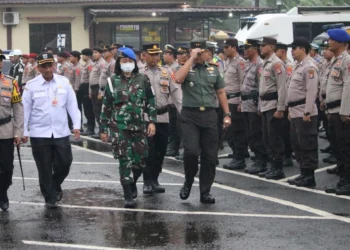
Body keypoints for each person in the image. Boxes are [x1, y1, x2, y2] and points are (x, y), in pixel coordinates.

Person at [175, 38, 231, 204]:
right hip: (189, 116)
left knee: (210, 156)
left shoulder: (214, 70)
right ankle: (188, 181)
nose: (199, 55)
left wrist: (227, 114)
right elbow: (178, 79)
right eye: (195, 52)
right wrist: (191, 59)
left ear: (208, 53)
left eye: (201, 52)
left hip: (209, 115)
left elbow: (221, 92)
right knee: (191, 151)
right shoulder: (185, 67)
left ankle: (205, 191)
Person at [22, 53, 81, 209]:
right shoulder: (31, 85)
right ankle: (50, 197)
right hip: (39, 133)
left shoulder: (64, 82)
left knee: (65, 162)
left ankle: (54, 184)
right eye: (44, 66)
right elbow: (25, 110)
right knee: (44, 166)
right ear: (39, 67)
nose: (48, 69)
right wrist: (24, 131)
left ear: (54, 66)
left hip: (60, 131)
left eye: (50, 65)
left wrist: (76, 125)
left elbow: (72, 105)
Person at [100, 47, 156, 208]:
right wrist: (103, 128)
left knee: (140, 161)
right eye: (123, 61)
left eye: (130, 61)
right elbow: (107, 106)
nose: (127, 64)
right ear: (119, 63)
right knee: (125, 161)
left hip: (139, 127)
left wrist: (152, 121)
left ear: (135, 62)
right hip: (120, 128)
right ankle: (127, 195)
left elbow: (151, 101)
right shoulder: (112, 81)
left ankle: (132, 183)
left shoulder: (143, 79)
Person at [140, 43, 182, 194]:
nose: (156, 57)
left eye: (158, 54)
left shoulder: (166, 71)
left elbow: (176, 92)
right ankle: (147, 180)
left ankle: (155, 179)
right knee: (147, 150)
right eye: (152, 54)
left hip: (163, 117)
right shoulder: (138, 72)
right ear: (144, 55)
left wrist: (182, 112)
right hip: (144, 117)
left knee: (160, 150)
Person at [286, 37, 319, 187]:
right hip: (295, 111)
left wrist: (307, 112)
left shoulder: (309, 66)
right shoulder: (298, 65)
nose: (292, 51)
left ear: (303, 49)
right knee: (297, 144)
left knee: (307, 144)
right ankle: (303, 172)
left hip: (304, 112)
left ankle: (309, 176)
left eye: (294, 48)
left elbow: (311, 91)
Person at [323, 29, 350, 195]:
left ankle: (347, 182)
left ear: (341, 43)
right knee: (337, 147)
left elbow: (348, 86)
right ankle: (342, 180)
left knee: (345, 148)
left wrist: (345, 111)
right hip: (332, 110)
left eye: (332, 40)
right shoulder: (335, 60)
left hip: (341, 111)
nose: (329, 42)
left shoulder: (346, 60)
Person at [258, 37, 287, 180]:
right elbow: (262, 87)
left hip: (273, 105)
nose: (261, 48)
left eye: (263, 46)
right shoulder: (265, 63)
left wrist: (280, 108)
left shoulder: (277, 64)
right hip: (264, 104)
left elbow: (282, 87)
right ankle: (272, 166)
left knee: (275, 138)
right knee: (267, 137)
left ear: (271, 47)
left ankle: (278, 168)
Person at [240, 39, 269, 175]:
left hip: (254, 103)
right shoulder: (247, 64)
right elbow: (244, 85)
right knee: (249, 133)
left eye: (247, 48)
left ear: (254, 49)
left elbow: (260, 86)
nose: (244, 51)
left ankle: (261, 161)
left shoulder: (260, 64)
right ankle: (257, 158)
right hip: (246, 103)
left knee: (256, 133)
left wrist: (259, 107)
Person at [0, 53, 23, 211]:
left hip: (6, 131)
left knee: (7, 168)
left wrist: (18, 131)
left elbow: (18, 108)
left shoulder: (11, 82)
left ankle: (2, 193)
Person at [222, 38, 248, 170]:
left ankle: (240, 158)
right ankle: (236, 153)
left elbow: (244, 83)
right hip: (226, 100)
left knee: (237, 130)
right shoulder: (227, 61)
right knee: (229, 131)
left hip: (235, 100)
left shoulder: (240, 62)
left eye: (227, 47)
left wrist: (241, 101)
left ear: (234, 47)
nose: (225, 49)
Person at [275, 42, 294, 167]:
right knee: (277, 132)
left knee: (286, 131)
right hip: (276, 102)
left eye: (276, 51)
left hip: (286, 103)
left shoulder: (289, 66)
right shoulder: (276, 65)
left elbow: (287, 85)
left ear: (282, 52)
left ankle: (287, 155)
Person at [163, 44, 181, 157]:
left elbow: (176, 87)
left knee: (175, 127)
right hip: (167, 101)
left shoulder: (176, 67)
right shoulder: (166, 67)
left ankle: (174, 147)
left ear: (171, 55)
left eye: (165, 54)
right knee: (170, 126)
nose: (163, 56)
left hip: (174, 102)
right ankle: (170, 146)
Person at [89, 47, 106, 137]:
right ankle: (100, 130)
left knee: (99, 110)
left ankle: (102, 131)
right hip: (93, 89)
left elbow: (102, 79)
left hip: (98, 89)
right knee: (95, 110)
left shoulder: (102, 63)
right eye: (93, 52)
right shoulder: (95, 64)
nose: (94, 54)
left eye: (96, 52)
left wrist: (100, 91)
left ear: (100, 53)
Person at [80, 48, 96, 136]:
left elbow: (91, 79)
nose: (82, 56)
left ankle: (91, 128)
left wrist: (89, 91)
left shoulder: (90, 65)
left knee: (89, 109)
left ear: (88, 56)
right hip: (83, 87)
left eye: (83, 55)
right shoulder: (85, 64)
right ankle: (89, 127)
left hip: (87, 87)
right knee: (86, 109)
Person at [70, 51, 84, 130]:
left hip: (76, 90)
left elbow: (77, 80)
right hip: (72, 89)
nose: (70, 58)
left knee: (77, 108)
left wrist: (75, 90)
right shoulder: (73, 66)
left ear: (76, 57)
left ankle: (79, 126)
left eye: (71, 56)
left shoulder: (78, 67)